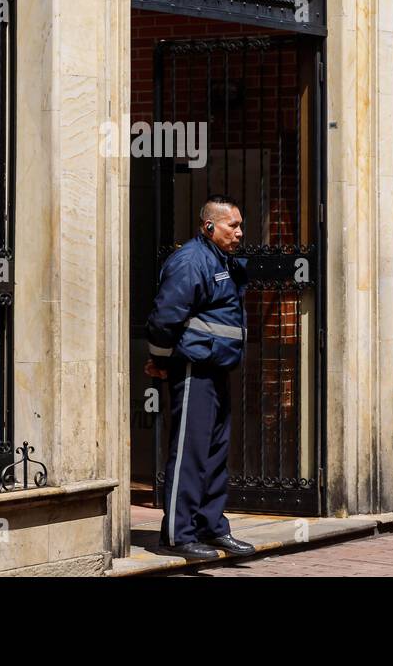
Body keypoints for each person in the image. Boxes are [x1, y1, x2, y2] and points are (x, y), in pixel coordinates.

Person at [144, 194, 256, 560]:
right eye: (232, 225)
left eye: (240, 225)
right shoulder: (192, 260)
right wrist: (159, 361)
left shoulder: (222, 260)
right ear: (209, 226)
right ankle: (178, 535)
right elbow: (165, 317)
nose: (239, 232)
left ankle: (212, 527)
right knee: (190, 453)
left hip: (217, 368)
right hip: (193, 368)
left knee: (215, 453)